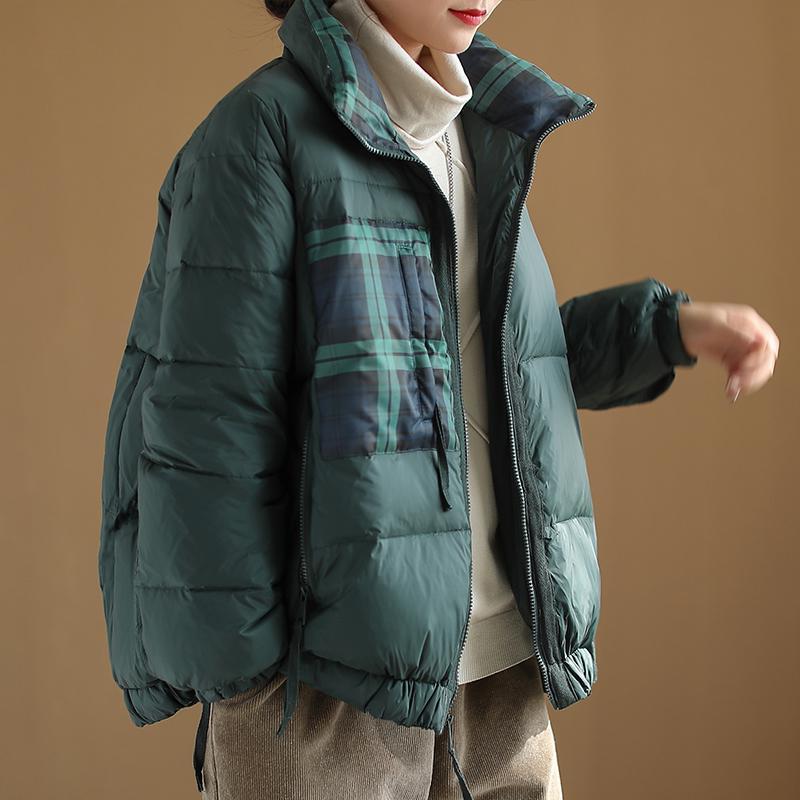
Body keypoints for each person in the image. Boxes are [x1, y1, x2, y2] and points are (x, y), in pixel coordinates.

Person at [97, 0, 779, 798]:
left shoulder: (478, 127)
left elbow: (481, 369)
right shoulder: (260, 135)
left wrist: (665, 330)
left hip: (501, 663)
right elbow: (209, 426)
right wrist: (246, 677)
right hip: (326, 685)